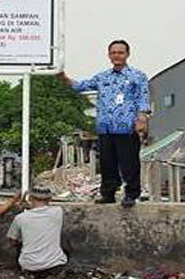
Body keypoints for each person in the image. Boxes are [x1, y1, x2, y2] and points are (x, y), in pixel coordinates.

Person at [57, 40, 150, 207]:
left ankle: (131, 194)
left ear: (127, 54)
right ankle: (108, 193)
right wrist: (62, 77)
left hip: (126, 127)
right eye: (113, 52)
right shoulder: (102, 77)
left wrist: (142, 117)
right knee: (107, 164)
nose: (117, 56)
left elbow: (143, 97)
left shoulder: (138, 76)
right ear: (109, 55)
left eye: (120, 52)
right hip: (105, 127)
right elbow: (80, 86)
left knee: (129, 163)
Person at [7, 186, 68, 273]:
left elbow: (12, 242)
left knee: (20, 243)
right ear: (50, 199)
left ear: (30, 198)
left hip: (29, 265)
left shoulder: (20, 218)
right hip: (54, 264)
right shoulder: (58, 212)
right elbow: (46, 208)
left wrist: (23, 202)